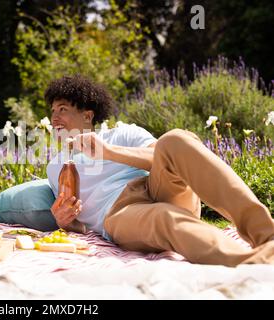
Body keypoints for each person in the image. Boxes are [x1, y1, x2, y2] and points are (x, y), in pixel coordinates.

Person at [45, 74, 274, 267]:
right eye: (52, 110)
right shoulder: (55, 167)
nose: (54, 117)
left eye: (62, 109)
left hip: (155, 187)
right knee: (163, 216)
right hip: (120, 213)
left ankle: (266, 234)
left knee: (175, 139)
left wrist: (110, 152)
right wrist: (64, 221)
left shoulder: (124, 134)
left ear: (87, 115)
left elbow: (164, 157)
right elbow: (80, 223)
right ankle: (252, 263)